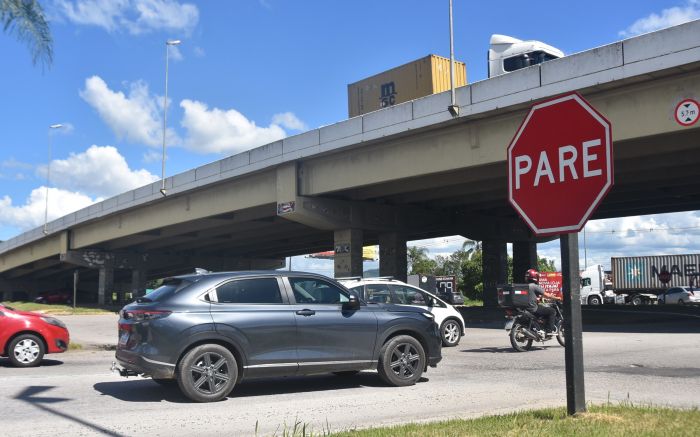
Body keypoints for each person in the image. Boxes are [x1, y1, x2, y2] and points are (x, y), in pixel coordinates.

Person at [525, 269, 562, 335]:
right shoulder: (534, 286)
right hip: (533, 308)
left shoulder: (524, 286)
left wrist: (541, 299)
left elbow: (532, 296)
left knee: (543, 308)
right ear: (535, 277)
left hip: (526, 308)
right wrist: (558, 298)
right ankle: (549, 330)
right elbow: (547, 295)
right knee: (552, 311)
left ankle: (541, 325)